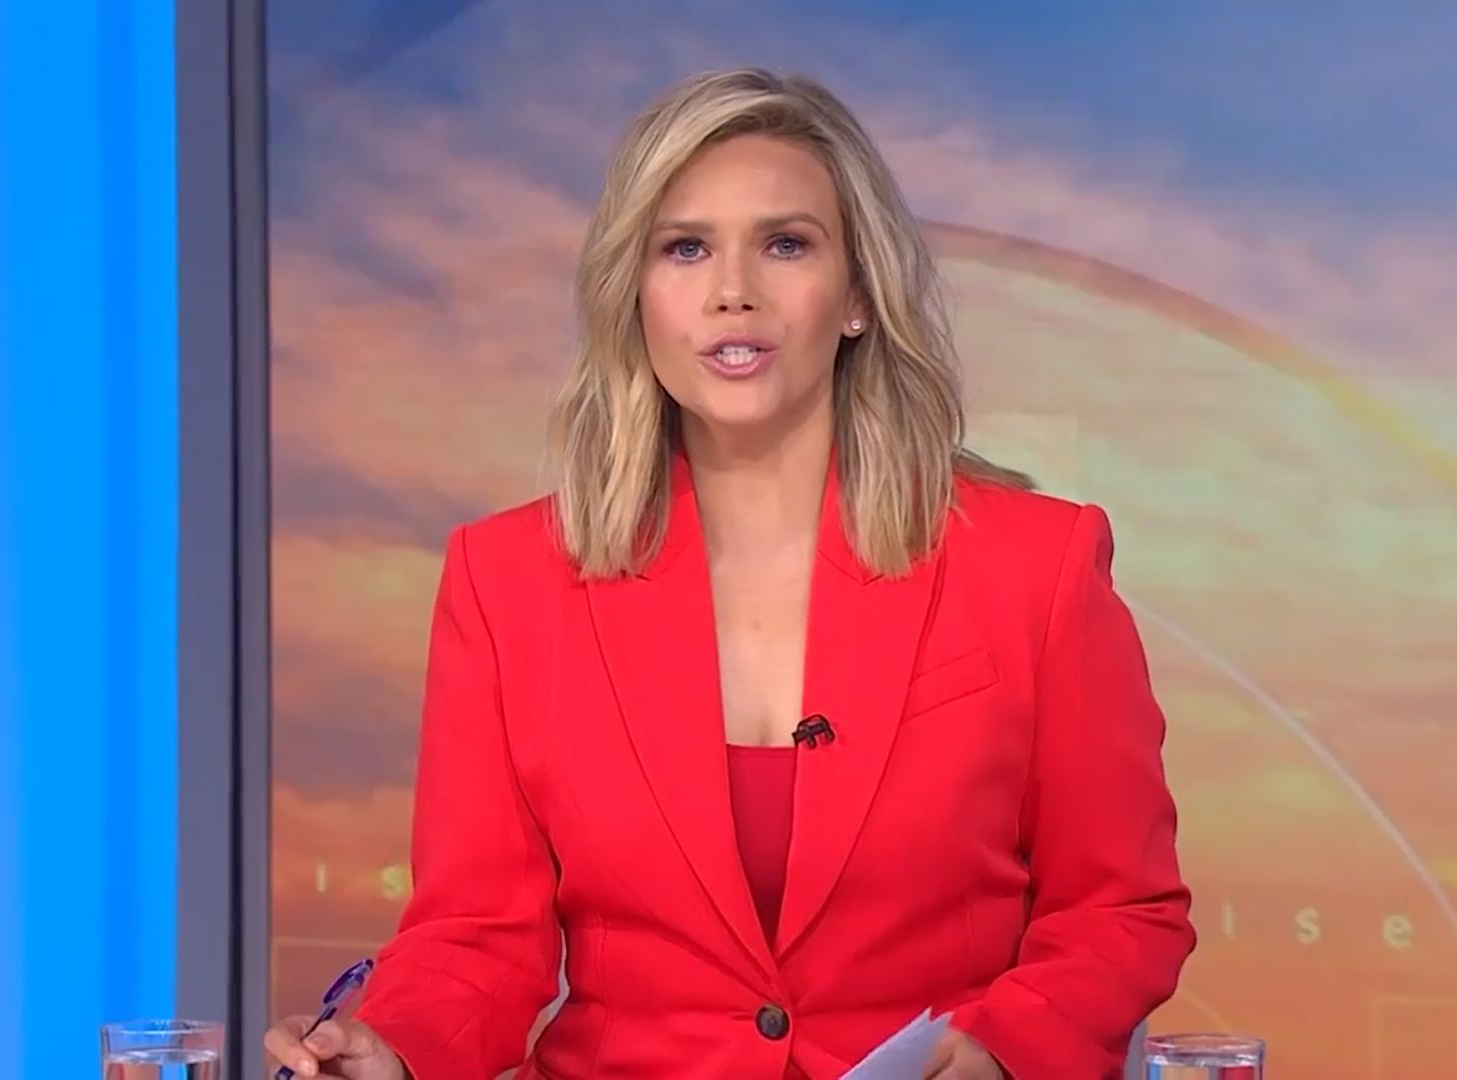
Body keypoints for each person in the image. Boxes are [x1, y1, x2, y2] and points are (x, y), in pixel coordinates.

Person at [264, 67, 1195, 1080]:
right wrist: (395, 1050)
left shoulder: (1034, 566)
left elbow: (1119, 909)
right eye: (685, 247)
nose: (732, 290)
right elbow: (476, 935)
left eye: (786, 244)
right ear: (636, 295)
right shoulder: (506, 583)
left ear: (857, 297)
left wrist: (1004, 1052)